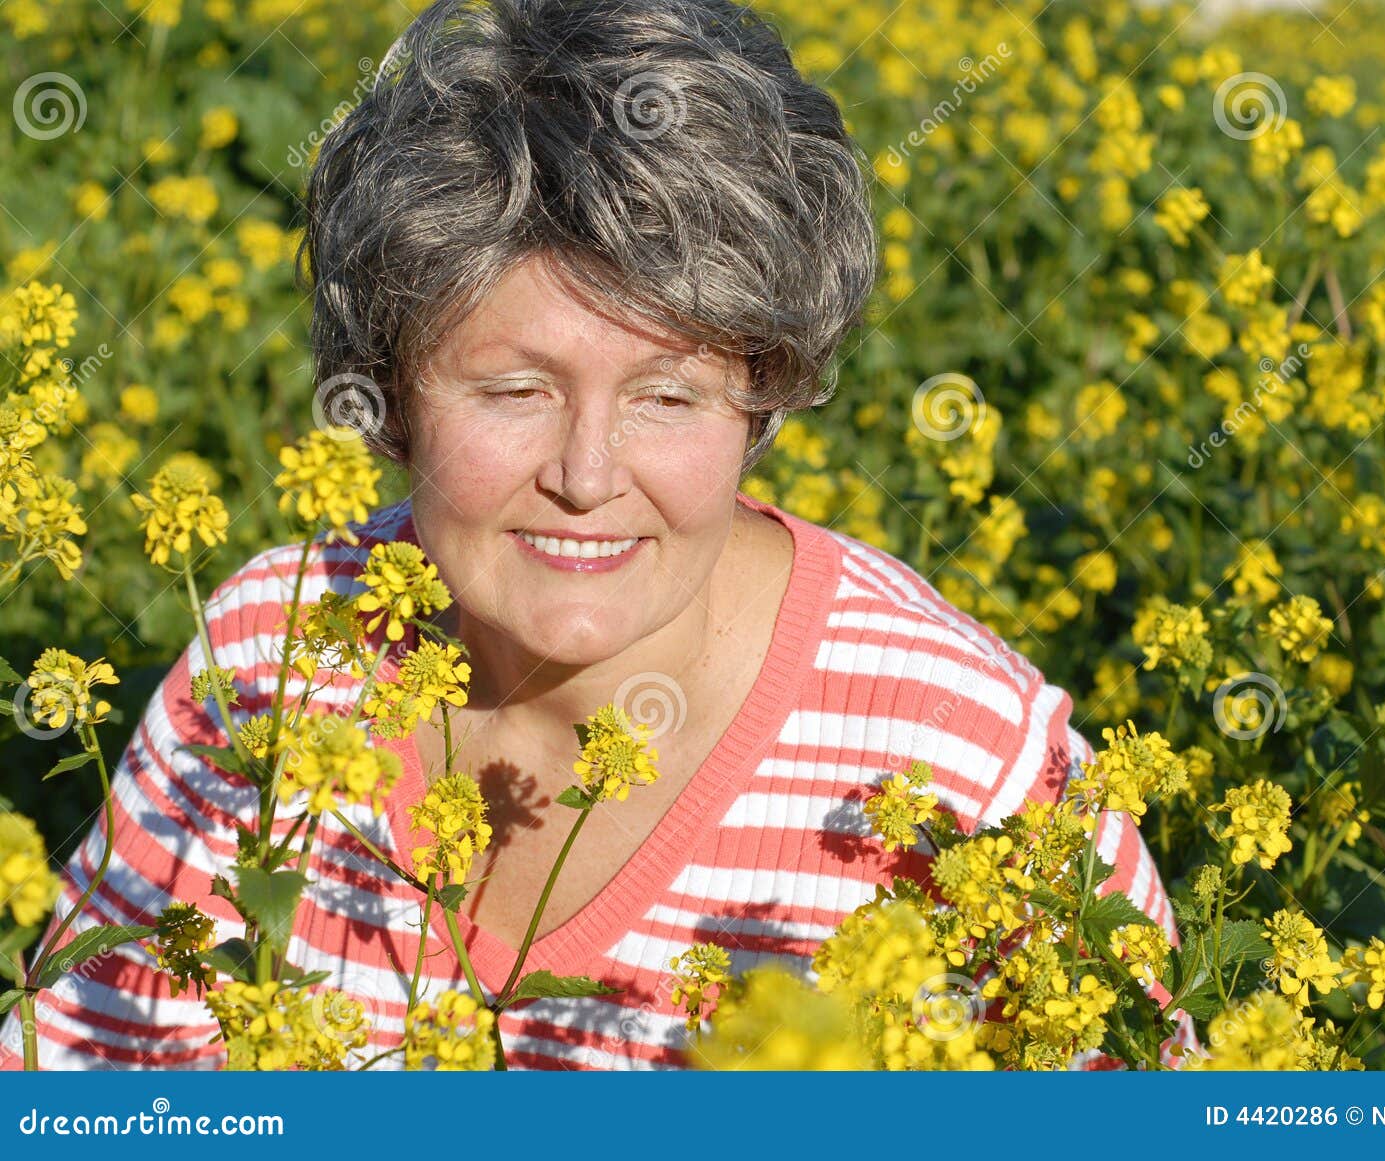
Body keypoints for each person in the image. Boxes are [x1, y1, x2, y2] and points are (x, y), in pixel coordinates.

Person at [1, 0, 1195, 1070]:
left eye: (667, 397)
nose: (584, 476)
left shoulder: (957, 760)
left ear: (762, 398)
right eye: (513, 390)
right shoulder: (268, 657)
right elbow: (74, 1089)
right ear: (391, 399)